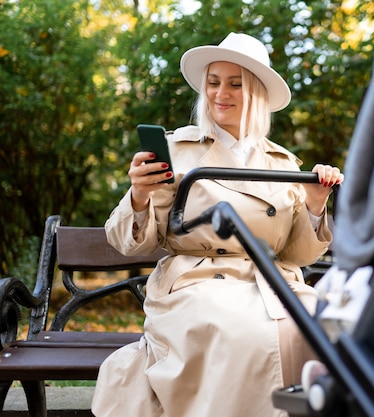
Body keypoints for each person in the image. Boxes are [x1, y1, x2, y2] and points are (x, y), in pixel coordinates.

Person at [91, 32, 343, 417]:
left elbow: (296, 255)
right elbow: (131, 244)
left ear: (256, 93)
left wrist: (314, 203)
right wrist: (139, 195)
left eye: (234, 83)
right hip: (197, 282)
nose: (219, 93)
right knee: (243, 334)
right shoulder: (177, 151)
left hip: (272, 283)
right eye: (213, 82)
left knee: (325, 328)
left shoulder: (284, 164)